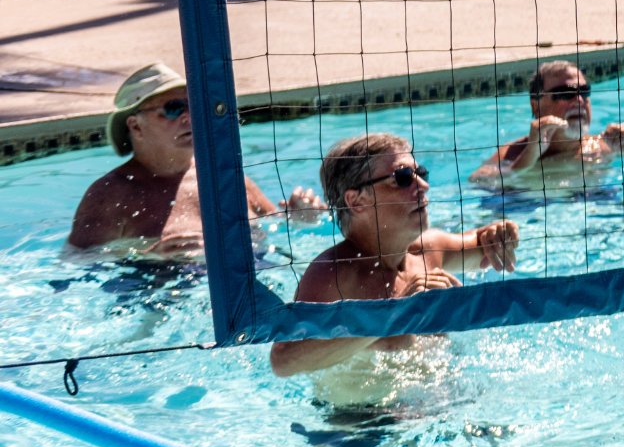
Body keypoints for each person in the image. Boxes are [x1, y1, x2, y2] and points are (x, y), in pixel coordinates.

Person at [270, 133, 522, 379]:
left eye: (420, 173)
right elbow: (283, 361)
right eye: (402, 178)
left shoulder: (428, 251)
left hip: (444, 401)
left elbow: (482, 243)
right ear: (357, 200)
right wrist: (393, 313)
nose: (423, 186)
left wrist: (499, 234)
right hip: (365, 418)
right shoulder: (335, 274)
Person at [69, 63, 321, 259]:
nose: (189, 117)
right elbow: (74, 262)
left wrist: (301, 217)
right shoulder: (110, 195)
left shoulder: (226, 178)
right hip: (164, 297)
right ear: (136, 126)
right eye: (173, 108)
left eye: (193, 106)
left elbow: (277, 228)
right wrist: (149, 256)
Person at [471, 59, 624, 192]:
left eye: (584, 92)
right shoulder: (514, 154)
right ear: (536, 105)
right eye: (565, 93)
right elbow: (478, 183)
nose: (578, 100)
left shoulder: (603, 144)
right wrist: (529, 157)